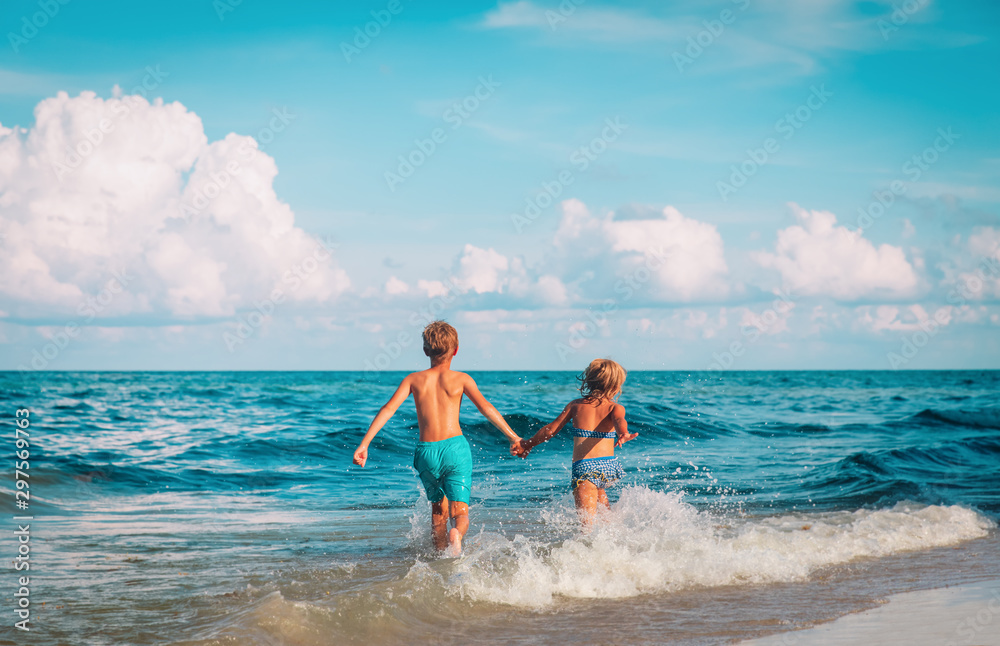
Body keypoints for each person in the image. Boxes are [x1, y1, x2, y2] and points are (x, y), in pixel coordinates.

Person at [353, 321, 524, 555]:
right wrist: (513, 436)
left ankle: (440, 556)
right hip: (455, 449)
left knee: (437, 510)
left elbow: (388, 409)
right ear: (456, 350)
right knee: (459, 512)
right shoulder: (462, 379)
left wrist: (365, 444)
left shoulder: (413, 380)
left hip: (426, 453)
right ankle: (457, 535)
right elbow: (486, 408)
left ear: (425, 351)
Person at [515, 358, 637, 524]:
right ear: (616, 387)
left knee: (586, 526)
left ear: (589, 381)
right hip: (608, 467)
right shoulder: (614, 407)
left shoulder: (575, 406)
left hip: (586, 469)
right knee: (607, 521)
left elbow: (550, 430)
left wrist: (527, 444)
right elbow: (619, 421)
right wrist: (623, 433)